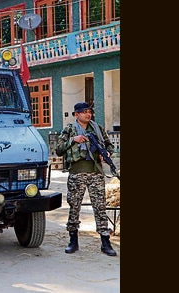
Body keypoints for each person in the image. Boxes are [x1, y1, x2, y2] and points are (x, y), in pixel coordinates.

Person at [55, 102, 117, 256]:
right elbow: (58, 150)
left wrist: (107, 153)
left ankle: (105, 242)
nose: (88, 114)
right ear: (76, 114)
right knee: (74, 207)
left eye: (89, 111)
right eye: (84, 112)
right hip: (77, 174)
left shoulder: (98, 128)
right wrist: (73, 140)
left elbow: (109, 145)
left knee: (100, 208)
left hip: (96, 173)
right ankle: (73, 240)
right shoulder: (69, 130)